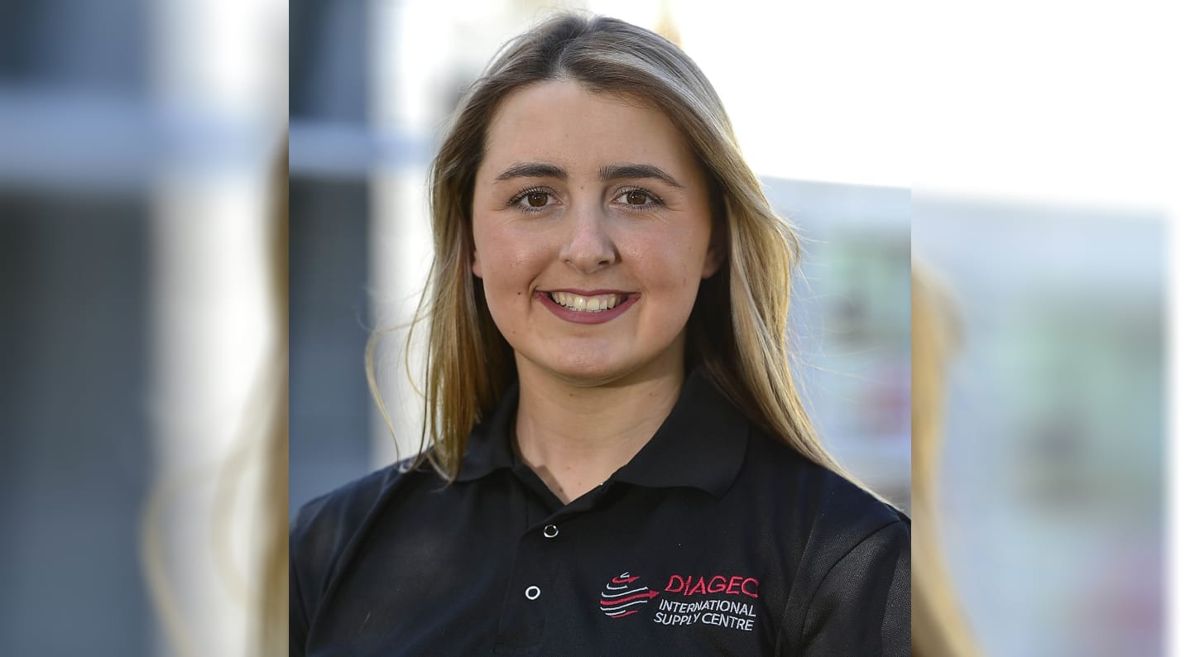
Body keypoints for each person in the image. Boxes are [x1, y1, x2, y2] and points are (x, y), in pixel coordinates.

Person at [290, 13, 909, 656]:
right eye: (535, 198)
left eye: (637, 197)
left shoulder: (847, 557)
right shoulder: (331, 544)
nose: (586, 250)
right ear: (469, 238)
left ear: (715, 239)